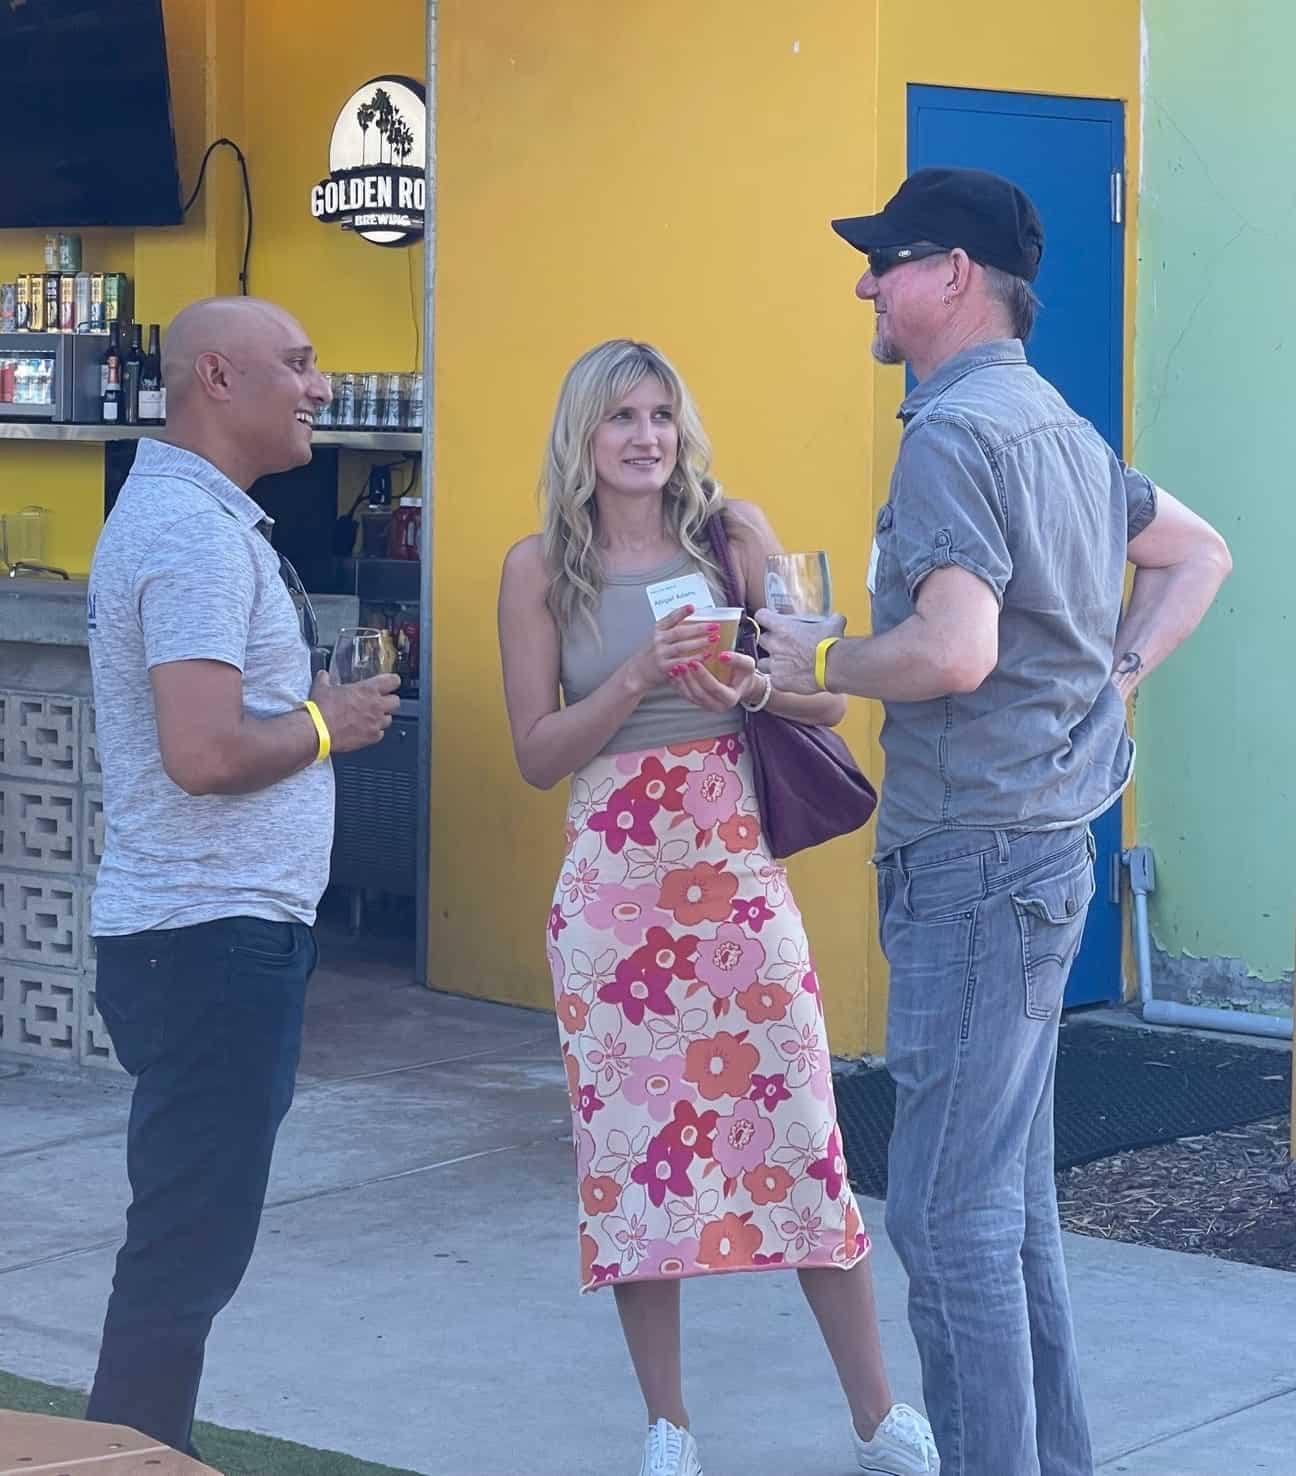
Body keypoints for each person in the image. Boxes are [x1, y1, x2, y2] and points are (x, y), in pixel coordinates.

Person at [755, 168, 1232, 1476]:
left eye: (885, 261)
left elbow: (955, 650)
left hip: (973, 865)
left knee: (948, 1222)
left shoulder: (957, 437)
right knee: (1006, 1218)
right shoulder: (1063, 433)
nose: (865, 282)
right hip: (1040, 853)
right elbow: (1200, 553)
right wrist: (1112, 685)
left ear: (951, 275)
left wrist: (820, 656)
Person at [498, 339, 938, 1476]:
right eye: (622, 419)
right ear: (581, 437)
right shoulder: (539, 569)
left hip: (736, 874)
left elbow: (828, 699)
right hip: (612, 895)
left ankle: (878, 1418)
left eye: (661, 415)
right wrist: (639, 677)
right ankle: (668, 1428)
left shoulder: (732, 536)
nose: (647, 438)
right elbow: (539, 754)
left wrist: (750, 686)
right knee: (634, 1159)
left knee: (802, 1131)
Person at [84, 296, 401, 1457]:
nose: (320, 385)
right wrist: (326, 724)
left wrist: (311, 714)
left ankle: (140, 1449)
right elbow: (205, 751)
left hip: (205, 936)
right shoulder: (193, 533)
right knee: (185, 1250)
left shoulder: (198, 522)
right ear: (217, 378)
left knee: (190, 1243)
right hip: (206, 939)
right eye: (301, 364)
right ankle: (130, 1456)